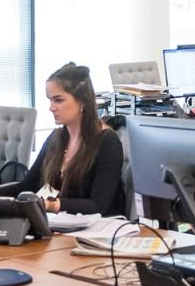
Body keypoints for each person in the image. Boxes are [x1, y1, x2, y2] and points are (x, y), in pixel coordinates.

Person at [11, 63, 125, 216]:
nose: (52, 107)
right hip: (60, 225)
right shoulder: (56, 138)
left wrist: (51, 205)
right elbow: (26, 187)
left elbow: (97, 205)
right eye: (50, 100)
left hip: (96, 230)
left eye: (58, 100)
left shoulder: (107, 142)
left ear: (82, 102)